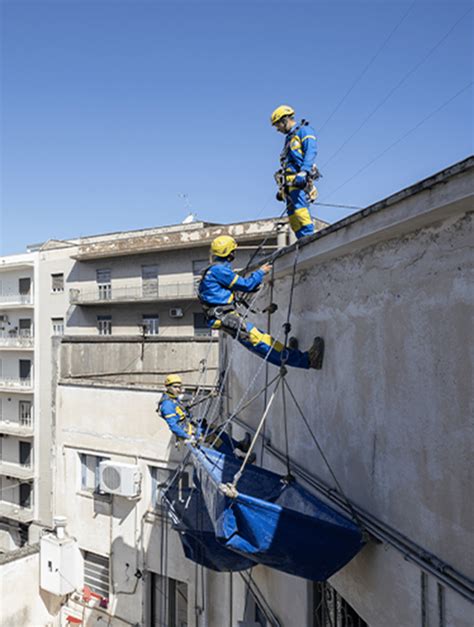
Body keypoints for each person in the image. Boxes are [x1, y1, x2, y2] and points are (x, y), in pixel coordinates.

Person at [198, 235, 325, 370]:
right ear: (231, 254)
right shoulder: (219, 270)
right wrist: (260, 272)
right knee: (260, 341)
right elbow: (247, 285)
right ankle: (307, 360)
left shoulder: (211, 271)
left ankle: (289, 354)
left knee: (258, 341)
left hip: (220, 317)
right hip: (225, 317)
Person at [157, 374, 253, 458]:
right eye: (175, 387)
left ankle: (239, 446)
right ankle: (235, 458)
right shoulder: (167, 405)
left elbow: (181, 413)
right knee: (213, 438)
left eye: (179, 387)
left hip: (191, 425)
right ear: (168, 387)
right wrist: (187, 437)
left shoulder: (173, 398)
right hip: (188, 432)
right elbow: (173, 426)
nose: (178, 389)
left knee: (215, 429)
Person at [271, 104, 319, 239]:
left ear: (284, 120)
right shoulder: (289, 138)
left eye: (277, 125)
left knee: (301, 211)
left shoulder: (304, 131)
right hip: (289, 184)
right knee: (293, 216)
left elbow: (311, 151)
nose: (278, 129)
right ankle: (300, 240)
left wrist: (304, 172)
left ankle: (308, 239)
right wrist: (282, 189)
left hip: (299, 181)